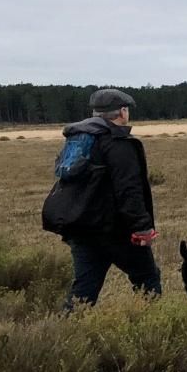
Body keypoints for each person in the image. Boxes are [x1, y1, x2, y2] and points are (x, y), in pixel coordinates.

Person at [49, 88, 161, 308]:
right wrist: (142, 228)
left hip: (81, 228)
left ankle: (65, 332)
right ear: (122, 111)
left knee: (83, 291)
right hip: (115, 231)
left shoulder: (78, 141)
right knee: (148, 279)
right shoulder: (119, 143)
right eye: (126, 109)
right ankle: (152, 329)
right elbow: (129, 190)